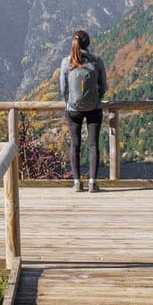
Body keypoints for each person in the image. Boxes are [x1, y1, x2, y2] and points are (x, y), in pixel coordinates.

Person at [59, 29, 108, 192]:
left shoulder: (66, 62)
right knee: (93, 145)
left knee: (75, 145)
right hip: (94, 108)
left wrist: (69, 102)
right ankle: (93, 183)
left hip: (73, 109)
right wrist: (96, 99)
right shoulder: (97, 61)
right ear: (88, 43)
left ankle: (76, 182)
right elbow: (104, 86)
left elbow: (63, 88)